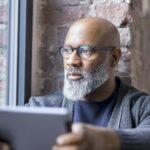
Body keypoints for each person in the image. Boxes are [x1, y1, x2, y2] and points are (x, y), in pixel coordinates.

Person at [1, 17, 150, 150]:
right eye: (67, 50)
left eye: (85, 51)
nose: (72, 61)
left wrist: (107, 140)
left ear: (114, 58)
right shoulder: (41, 108)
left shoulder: (142, 107)